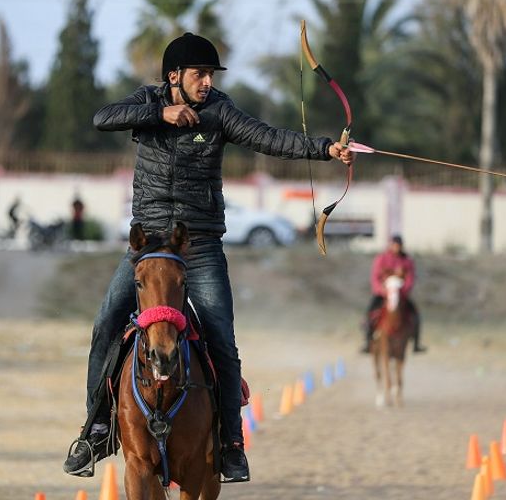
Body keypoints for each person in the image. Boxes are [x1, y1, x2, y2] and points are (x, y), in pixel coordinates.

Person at [62, 32, 354, 483]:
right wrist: (160, 112)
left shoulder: (218, 110)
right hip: (149, 247)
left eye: (210, 75)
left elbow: (268, 137)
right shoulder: (147, 102)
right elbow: (103, 117)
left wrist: (324, 149)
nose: (206, 83)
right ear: (173, 76)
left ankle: (232, 445)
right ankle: (95, 429)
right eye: (199, 74)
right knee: (106, 323)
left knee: (220, 336)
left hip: (198, 248)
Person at [361, 235, 426, 354]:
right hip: (383, 294)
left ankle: (416, 343)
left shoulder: (407, 261)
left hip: (401, 295)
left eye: (399, 246)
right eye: (395, 245)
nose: (397, 248)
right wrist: (382, 291)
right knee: (369, 314)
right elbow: (375, 278)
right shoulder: (382, 259)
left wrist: (402, 292)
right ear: (390, 245)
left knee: (415, 315)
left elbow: (410, 279)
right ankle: (367, 341)